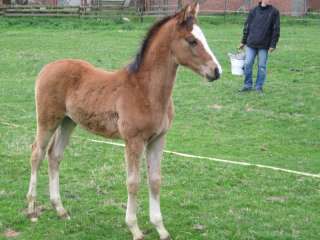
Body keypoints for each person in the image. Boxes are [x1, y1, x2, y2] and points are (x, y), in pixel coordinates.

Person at [239, 0, 280, 93]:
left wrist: (273, 44)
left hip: (264, 45)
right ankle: (247, 85)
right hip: (251, 43)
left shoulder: (274, 12)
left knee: (262, 66)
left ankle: (258, 87)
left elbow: (276, 29)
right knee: (247, 64)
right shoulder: (253, 11)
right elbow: (247, 27)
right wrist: (243, 41)